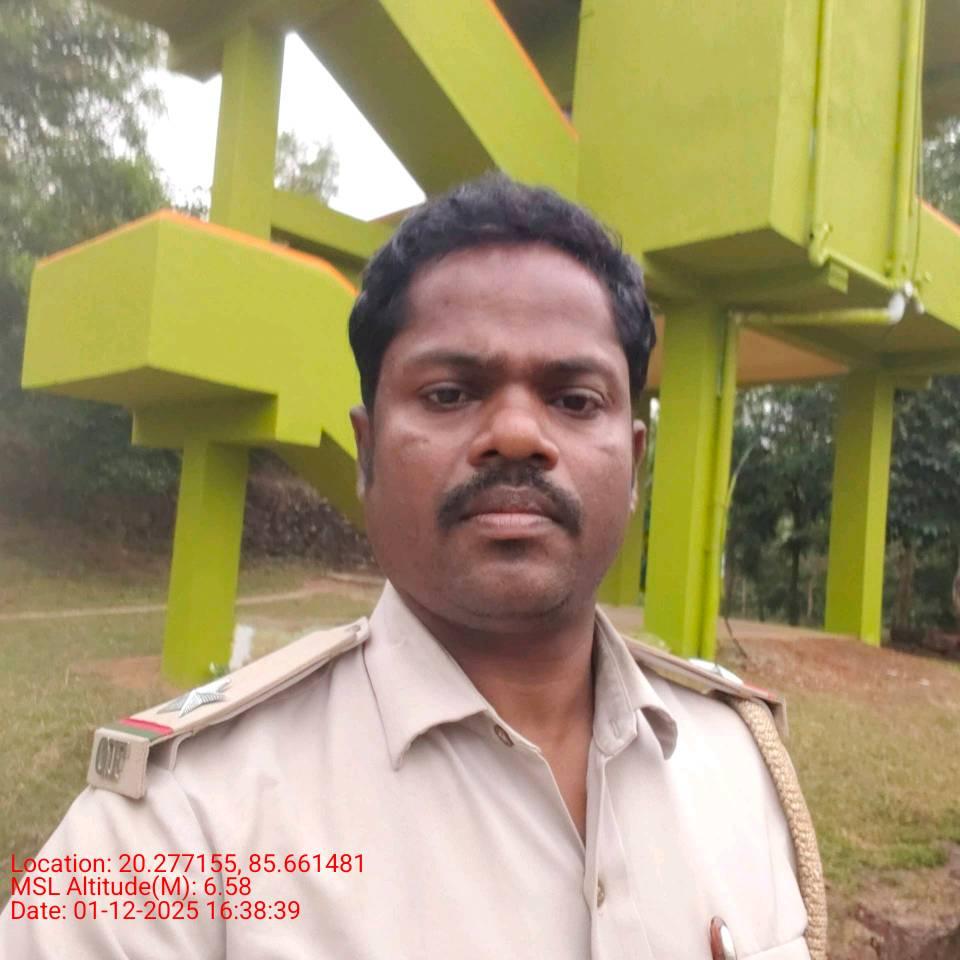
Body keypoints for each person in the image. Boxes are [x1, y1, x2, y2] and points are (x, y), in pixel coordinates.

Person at [1, 175, 825, 960]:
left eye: (575, 400)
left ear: (634, 461)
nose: (516, 434)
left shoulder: (739, 764)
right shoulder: (179, 822)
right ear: (366, 453)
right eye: (449, 394)